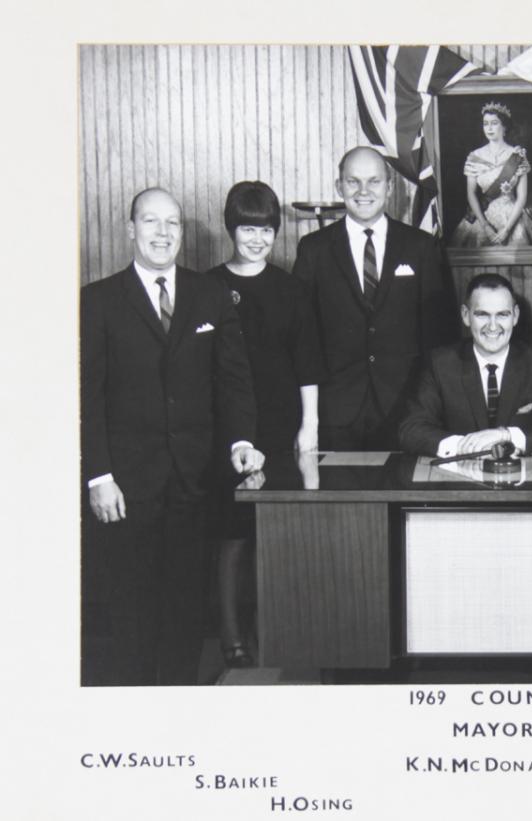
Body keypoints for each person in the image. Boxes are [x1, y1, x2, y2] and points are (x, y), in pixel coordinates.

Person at [81, 188, 262, 686]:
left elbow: (233, 379)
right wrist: (99, 475)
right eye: (151, 222)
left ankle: (180, 705)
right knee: (132, 607)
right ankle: (136, 708)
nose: (163, 234)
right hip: (124, 487)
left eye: (173, 224)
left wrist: (239, 442)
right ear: (129, 228)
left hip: (193, 478)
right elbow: (87, 398)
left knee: (186, 605)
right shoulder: (97, 301)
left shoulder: (209, 295)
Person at [208, 181, 320, 667]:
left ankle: (278, 631)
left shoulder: (291, 290)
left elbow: (308, 365)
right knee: (233, 533)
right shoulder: (207, 287)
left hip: (281, 426)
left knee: (277, 531)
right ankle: (232, 638)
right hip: (228, 428)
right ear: (231, 229)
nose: (257, 239)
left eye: (267, 230)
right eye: (248, 229)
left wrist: (308, 429)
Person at [292, 146, 459, 450]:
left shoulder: (421, 247)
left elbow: (440, 336)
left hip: (408, 411)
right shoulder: (313, 249)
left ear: (389, 187)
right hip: (336, 413)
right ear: (339, 186)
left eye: (374, 181)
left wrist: (434, 409)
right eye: (353, 181)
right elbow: (304, 339)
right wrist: (310, 421)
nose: (363, 191)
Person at [399, 274, 532, 457]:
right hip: (458, 479)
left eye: (502, 315)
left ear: (515, 316)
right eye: (482, 315)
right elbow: (411, 429)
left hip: (520, 479)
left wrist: (505, 436)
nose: (493, 327)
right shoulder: (440, 363)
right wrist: (464, 445)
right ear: (466, 316)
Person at [449, 102, 532, 248]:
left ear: (504, 127)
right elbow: (471, 194)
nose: (489, 128)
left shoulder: (517, 155)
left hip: (513, 216)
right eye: (485, 124)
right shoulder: (475, 157)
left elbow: (522, 197)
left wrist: (507, 229)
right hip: (482, 216)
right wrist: (485, 226)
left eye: (494, 123)